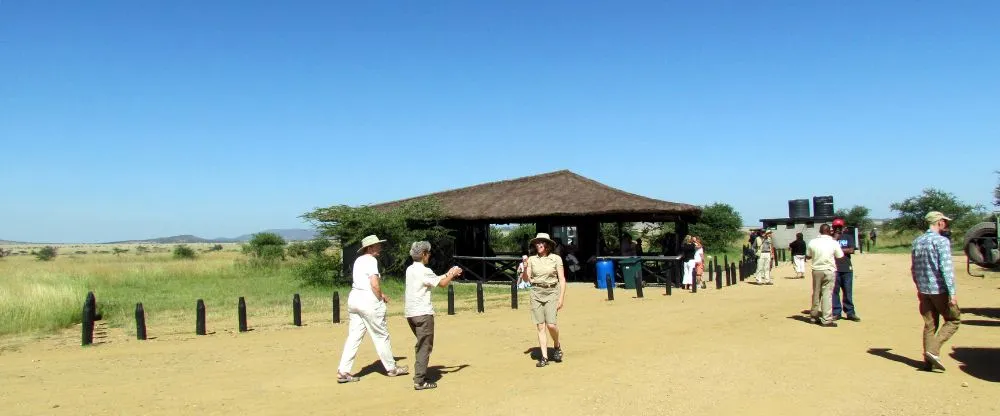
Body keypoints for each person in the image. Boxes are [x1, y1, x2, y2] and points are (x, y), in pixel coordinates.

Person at [337, 235, 408, 383]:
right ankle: (391, 368)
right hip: (368, 301)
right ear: (370, 248)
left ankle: (343, 370)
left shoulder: (358, 260)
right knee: (381, 335)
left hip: (355, 299)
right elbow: (374, 283)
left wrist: (381, 294)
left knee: (354, 337)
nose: (379, 248)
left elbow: (362, 282)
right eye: (377, 245)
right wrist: (379, 297)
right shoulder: (371, 260)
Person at [404, 241, 463, 390]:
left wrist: (449, 273)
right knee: (425, 346)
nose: (429, 255)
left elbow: (435, 279)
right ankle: (419, 380)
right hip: (423, 313)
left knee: (421, 343)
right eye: (428, 253)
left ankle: (421, 373)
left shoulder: (410, 269)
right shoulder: (424, 270)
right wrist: (453, 275)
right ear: (423, 254)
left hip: (411, 314)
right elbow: (442, 284)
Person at [911, 211, 961, 372]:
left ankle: (928, 362)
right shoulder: (941, 241)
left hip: (923, 289)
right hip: (939, 289)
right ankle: (933, 350)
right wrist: (952, 293)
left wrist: (919, 286)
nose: (945, 224)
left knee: (929, 324)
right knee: (953, 320)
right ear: (939, 222)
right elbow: (946, 269)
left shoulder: (917, 242)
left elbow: (914, 269)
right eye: (944, 222)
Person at [520, 232, 567, 368]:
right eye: (537, 242)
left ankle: (557, 345)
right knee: (540, 326)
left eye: (541, 242)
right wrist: (524, 267)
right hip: (536, 292)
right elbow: (526, 279)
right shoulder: (532, 260)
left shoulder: (556, 259)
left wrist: (561, 298)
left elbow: (562, 279)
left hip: (552, 291)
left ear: (547, 245)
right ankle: (544, 357)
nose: (539, 245)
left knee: (551, 324)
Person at [806, 224, 844, 327]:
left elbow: (808, 255)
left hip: (816, 269)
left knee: (816, 293)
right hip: (828, 269)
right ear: (829, 231)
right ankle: (826, 319)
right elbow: (840, 256)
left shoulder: (812, 242)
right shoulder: (833, 242)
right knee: (827, 294)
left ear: (820, 231)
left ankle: (813, 316)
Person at [831, 218, 860, 321]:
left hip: (847, 268)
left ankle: (850, 312)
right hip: (834, 268)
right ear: (833, 228)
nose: (838, 229)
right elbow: (829, 250)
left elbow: (851, 250)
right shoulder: (830, 239)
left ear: (843, 227)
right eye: (836, 227)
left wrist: (837, 250)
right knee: (834, 292)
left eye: (840, 227)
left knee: (848, 292)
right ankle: (836, 312)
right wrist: (834, 239)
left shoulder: (848, 237)